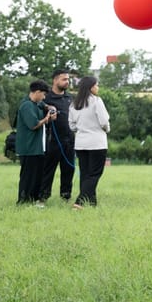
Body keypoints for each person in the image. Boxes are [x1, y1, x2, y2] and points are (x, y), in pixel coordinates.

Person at [68, 75, 111, 209]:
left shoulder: (74, 104)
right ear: (91, 87)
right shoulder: (96, 101)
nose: (97, 87)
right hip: (97, 142)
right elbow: (104, 121)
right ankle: (80, 201)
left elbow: (72, 126)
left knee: (85, 174)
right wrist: (107, 129)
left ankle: (92, 202)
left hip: (81, 143)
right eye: (96, 85)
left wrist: (81, 129)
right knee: (95, 174)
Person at [17, 80, 57, 206]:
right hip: (29, 148)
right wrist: (46, 119)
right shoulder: (27, 106)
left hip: (38, 148)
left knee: (37, 176)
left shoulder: (36, 103)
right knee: (28, 176)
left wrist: (51, 108)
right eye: (43, 94)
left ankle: (33, 200)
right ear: (38, 92)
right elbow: (33, 124)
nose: (44, 98)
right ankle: (23, 201)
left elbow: (45, 106)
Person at [38, 69, 75, 203]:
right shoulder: (46, 98)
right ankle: (43, 197)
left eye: (68, 79)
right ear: (55, 80)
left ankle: (66, 196)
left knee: (68, 170)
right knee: (48, 170)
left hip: (69, 140)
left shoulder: (70, 98)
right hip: (52, 140)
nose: (67, 82)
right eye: (64, 79)